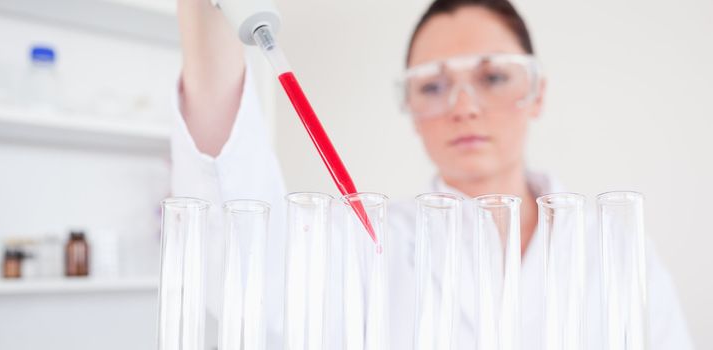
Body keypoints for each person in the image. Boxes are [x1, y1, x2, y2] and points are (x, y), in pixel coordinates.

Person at [173, 0, 693, 348]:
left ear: (537, 93)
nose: (464, 107)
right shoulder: (370, 243)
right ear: (411, 106)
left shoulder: (616, 246)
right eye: (433, 86)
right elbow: (243, 258)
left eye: (492, 76)